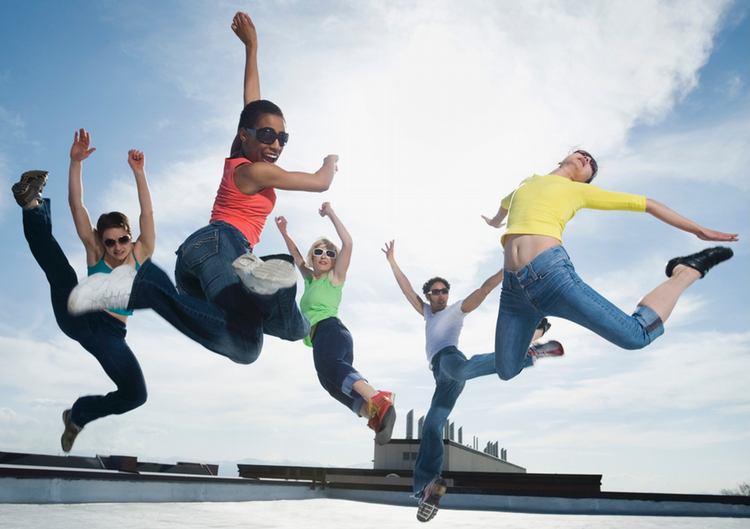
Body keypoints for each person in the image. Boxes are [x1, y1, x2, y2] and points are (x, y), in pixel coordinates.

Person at [68, 13, 339, 366]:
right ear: (247, 136)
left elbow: (251, 107)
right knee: (286, 325)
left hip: (195, 267)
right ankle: (277, 281)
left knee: (248, 346)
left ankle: (162, 287)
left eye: (282, 138)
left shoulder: (239, 156)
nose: (276, 144)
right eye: (268, 135)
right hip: (223, 246)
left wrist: (252, 48)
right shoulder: (256, 171)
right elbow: (321, 182)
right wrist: (331, 159)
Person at [482, 149, 738, 381]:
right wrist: (495, 223)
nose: (588, 159)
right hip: (513, 291)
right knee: (506, 371)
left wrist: (699, 230)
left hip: (551, 277)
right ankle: (535, 344)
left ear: (584, 181)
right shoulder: (527, 183)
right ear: (562, 158)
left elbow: (647, 204)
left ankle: (686, 271)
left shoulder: (579, 191)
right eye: (584, 154)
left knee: (635, 337)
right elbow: (505, 205)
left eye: (591, 166)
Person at [382, 240, 562, 523]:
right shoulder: (427, 312)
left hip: (450, 361)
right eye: (435, 292)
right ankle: (427, 486)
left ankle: (525, 353)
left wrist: (510, 268)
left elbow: (484, 289)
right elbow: (406, 290)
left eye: (444, 291)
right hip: (442, 379)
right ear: (428, 295)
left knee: (464, 369)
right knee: (432, 425)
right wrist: (393, 261)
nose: (441, 296)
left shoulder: (456, 310)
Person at [11, 128, 154, 452]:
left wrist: (139, 173)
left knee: (136, 395)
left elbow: (147, 214)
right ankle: (32, 203)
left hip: (112, 336)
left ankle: (77, 416)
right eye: (109, 241)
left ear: (130, 238)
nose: (117, 247)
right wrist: (75, 163)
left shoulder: (141, 253)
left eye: (122, 240)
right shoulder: (95, 252)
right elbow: (77, 205)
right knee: (60, 271)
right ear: (101, 241)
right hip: (81, 315)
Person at [275, 203, 396, 444]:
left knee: (329, 365)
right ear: (314, 257)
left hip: (331, 330)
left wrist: (330, 213)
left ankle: (379, 400)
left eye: (330, 254)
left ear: (334, 262)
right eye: (319, 252)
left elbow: (348, 244)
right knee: (330, 383)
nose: (324, 256)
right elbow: (297, 258)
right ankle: (372, 416)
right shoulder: (310, 280)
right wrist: (284, 232)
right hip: (326, 337)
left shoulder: (334, 278)